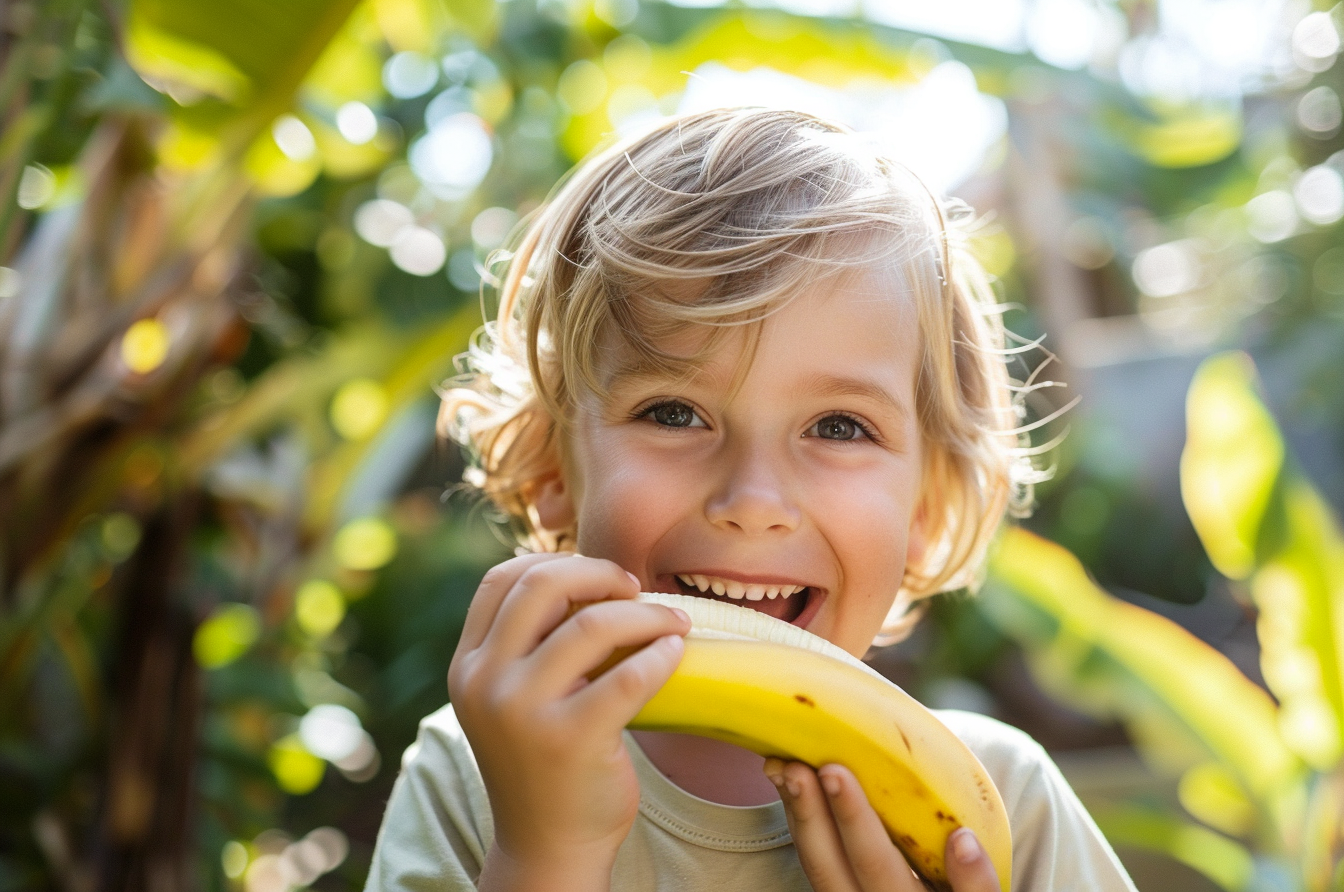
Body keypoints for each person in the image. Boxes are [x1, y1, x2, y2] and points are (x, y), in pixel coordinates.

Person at [364, 107, 1138, 892]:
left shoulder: (997, 806)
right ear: (553, 470)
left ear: (925, 509)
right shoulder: (481, 779)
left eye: (838, 426)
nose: (753, 500)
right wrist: (545, 856)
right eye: (673, 413)